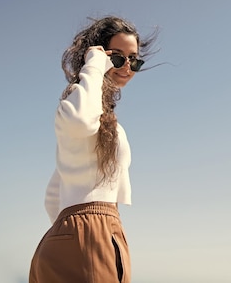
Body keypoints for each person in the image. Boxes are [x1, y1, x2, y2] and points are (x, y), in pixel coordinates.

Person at [29, 16, 157, 283]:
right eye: (117, 57)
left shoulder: (106, 119)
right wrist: (94, 65)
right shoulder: (79, 103)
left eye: (134, 60)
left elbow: (54, 193)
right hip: (94, 235)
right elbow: (79, 119)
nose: (127, 67)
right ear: (98, 56)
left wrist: (67, 232)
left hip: (86, 234)